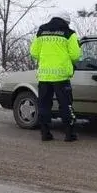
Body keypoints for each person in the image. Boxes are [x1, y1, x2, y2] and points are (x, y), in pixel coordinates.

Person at [29, 12, 82, 142]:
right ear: (66, 22)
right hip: (61, 76)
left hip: (44, 76)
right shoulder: (69, 33)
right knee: (65, 105)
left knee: (44, 105)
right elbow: (76, 55)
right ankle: (69, 134)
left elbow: (34, 52)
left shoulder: (41, 32)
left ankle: (45, 133)